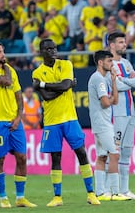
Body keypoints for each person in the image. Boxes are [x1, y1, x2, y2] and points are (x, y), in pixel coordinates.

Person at [32, 38, 100, 207]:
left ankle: (91, 194)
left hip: (70, 117)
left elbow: (64, 85)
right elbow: (48, 96)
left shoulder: (66, 64)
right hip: (51, 120)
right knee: (55, 157)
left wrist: (43, 85)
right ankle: (57, 197)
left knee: (82, 153)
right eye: (48, 49)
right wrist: (64, 86)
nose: (52, 51)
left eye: (54, 48)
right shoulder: (37, 72)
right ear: (41, 52)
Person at [0, 41, 37, 208]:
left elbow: (18, 95)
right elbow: (5, 82)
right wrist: (6, 68)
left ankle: (20, 197)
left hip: (14, 121)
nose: (2, 54)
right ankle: (3, 198)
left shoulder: (10, 69)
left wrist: (19, 117)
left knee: (22, 158)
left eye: (3, 51)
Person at [87, 50, 131, 201]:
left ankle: (100, 193)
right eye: (109, 61)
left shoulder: (104, 79)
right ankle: (115, 192)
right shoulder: (98, 79)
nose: (112, 64)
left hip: (102, 122)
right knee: (115, 154)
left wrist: (113, 80)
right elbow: (106, 102)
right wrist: (110, 99)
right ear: (100, 62)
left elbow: (115, 100)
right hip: (103, 123)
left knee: (102, 156)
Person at [107, 32, 135, 200]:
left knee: (127, 151)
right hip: (117, 112)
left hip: (130, 111)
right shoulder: (108, 64)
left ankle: (124, 189)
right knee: (114, 150)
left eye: (124, 42)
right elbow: (117, 86)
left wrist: (125, 80)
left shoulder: (127, 63)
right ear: (112, 45)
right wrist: (129, 81)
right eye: (121, 42)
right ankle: (109, 190)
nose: (124, 45)